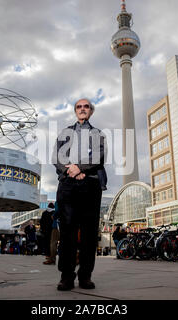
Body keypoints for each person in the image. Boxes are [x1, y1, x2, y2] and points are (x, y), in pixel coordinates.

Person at [52, 98, 107, 291]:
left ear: (91, 111)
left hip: (90, 185)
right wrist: (70, 171)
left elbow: (99, 156)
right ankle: (66, 276)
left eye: (86, 106)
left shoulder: (98, 133)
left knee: (89, 234)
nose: (82, 109)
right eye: (79, 106)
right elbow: (56, 157)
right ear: (76, 111)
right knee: (67, 233)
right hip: (68, 185)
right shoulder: (65, 132)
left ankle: (85, 276)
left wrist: (80, 167)